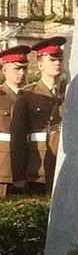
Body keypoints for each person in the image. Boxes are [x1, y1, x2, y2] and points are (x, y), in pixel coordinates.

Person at [11, 36, 66, 194]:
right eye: (52, 60)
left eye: (60, 60)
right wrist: (19, 174)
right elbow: (18, 138)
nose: (57, 63)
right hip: (38, 171)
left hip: (65, 168)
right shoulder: (27, 95)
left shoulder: (69, 93)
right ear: (40, 64)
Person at [0, 45, 30, 196]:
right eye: (16, 69)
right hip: (3, 172)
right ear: (4, 70)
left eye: (24, 68)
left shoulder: (31, 96)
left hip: (29, 170)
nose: (22, 73)